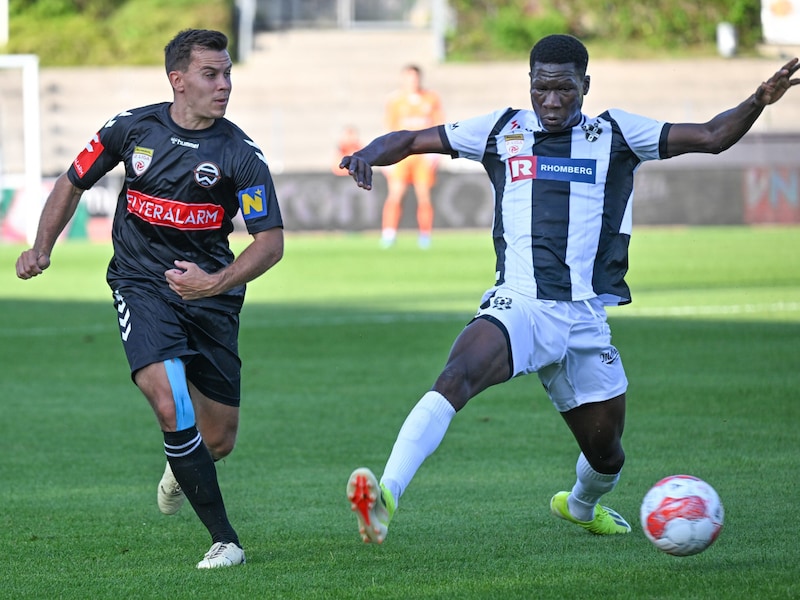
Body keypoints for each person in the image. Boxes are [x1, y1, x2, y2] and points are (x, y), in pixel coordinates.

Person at [341, 34, 799, 544]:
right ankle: (385, 497)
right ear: (530, 84)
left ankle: (580, 506)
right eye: (541, 88)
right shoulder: (502, 129)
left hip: (584, 318)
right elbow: (409, 139)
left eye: (564, 89)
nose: (552, 101)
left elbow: (713, 136)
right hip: (519, 304)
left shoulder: (617, 133)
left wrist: (758, 100)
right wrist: (366, 153)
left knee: (607, 455)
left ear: (585, 84)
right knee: (456, 376)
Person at [15, 29, 284, 568]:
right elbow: (73, 180)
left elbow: (271, 244)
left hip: (211, 297)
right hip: (141, 285)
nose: (224, 84)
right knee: (169, 402)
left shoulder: (239, 154)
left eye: (228, 73)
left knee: (219, 438)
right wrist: (41, 246)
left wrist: (214, 282)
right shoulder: (130, 128)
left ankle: (181, 463)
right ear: (177, 80)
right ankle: (225, 540)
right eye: (211, 74)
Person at [380, 64, 444, 249]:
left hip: (422, 153)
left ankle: (425, 235)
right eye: (409, 77)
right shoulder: (395, 100)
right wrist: (387, 156)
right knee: (395, 194)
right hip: (402, 154)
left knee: (423, 195)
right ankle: (389, 233)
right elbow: (389, 128)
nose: (412, 81)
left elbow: (438, 123)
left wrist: (436, 153)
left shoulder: (431, 98)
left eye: (415, 77)